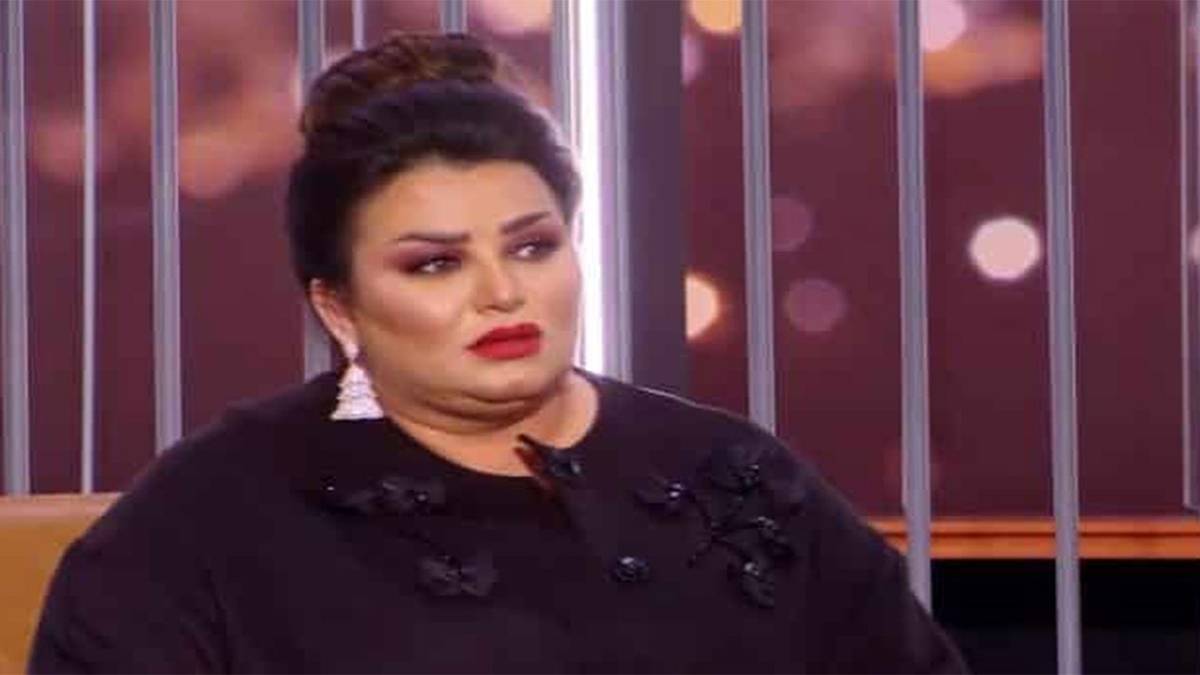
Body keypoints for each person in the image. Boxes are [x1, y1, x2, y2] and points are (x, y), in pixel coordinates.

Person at [28, 33, 966, 674]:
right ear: (338, 306)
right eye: (435, 263)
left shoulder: (738, 475)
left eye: (532, 247)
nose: (501, 292)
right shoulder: (205, 523)